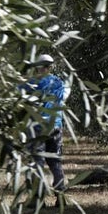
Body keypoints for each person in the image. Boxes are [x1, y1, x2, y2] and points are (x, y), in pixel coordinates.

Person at [21, 53, 68, 191]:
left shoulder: (33, 82)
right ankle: (61, 194)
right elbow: (63, 98)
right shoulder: (59, 82)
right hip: (56, 126)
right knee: (55, 161)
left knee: (37, 162)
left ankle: (37, 196)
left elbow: (18, 94)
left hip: (38, 127)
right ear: (50, 67)